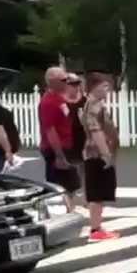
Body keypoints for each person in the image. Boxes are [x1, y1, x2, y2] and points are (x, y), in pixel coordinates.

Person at [81, 72, 121, 242]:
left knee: (100, 192)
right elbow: (95, 131)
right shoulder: (92, 107)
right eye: (104, 86)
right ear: (94, 87)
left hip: (99, 154)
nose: (107, 90)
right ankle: (95, 229)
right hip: (96, 155)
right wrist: (106, 154)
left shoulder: (97, 105)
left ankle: (97, 226)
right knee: (96, 193)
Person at [38, 66, 81, 209]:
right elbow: (50, 131)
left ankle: (69, 209)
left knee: (72, 185)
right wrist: (59, 156)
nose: (66, 82)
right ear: (52, 82)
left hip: (65, 147)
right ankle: (64, 212)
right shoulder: (48, 102)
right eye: (63, 80)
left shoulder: (59, 98)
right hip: (55, 150)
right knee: (58, 188)